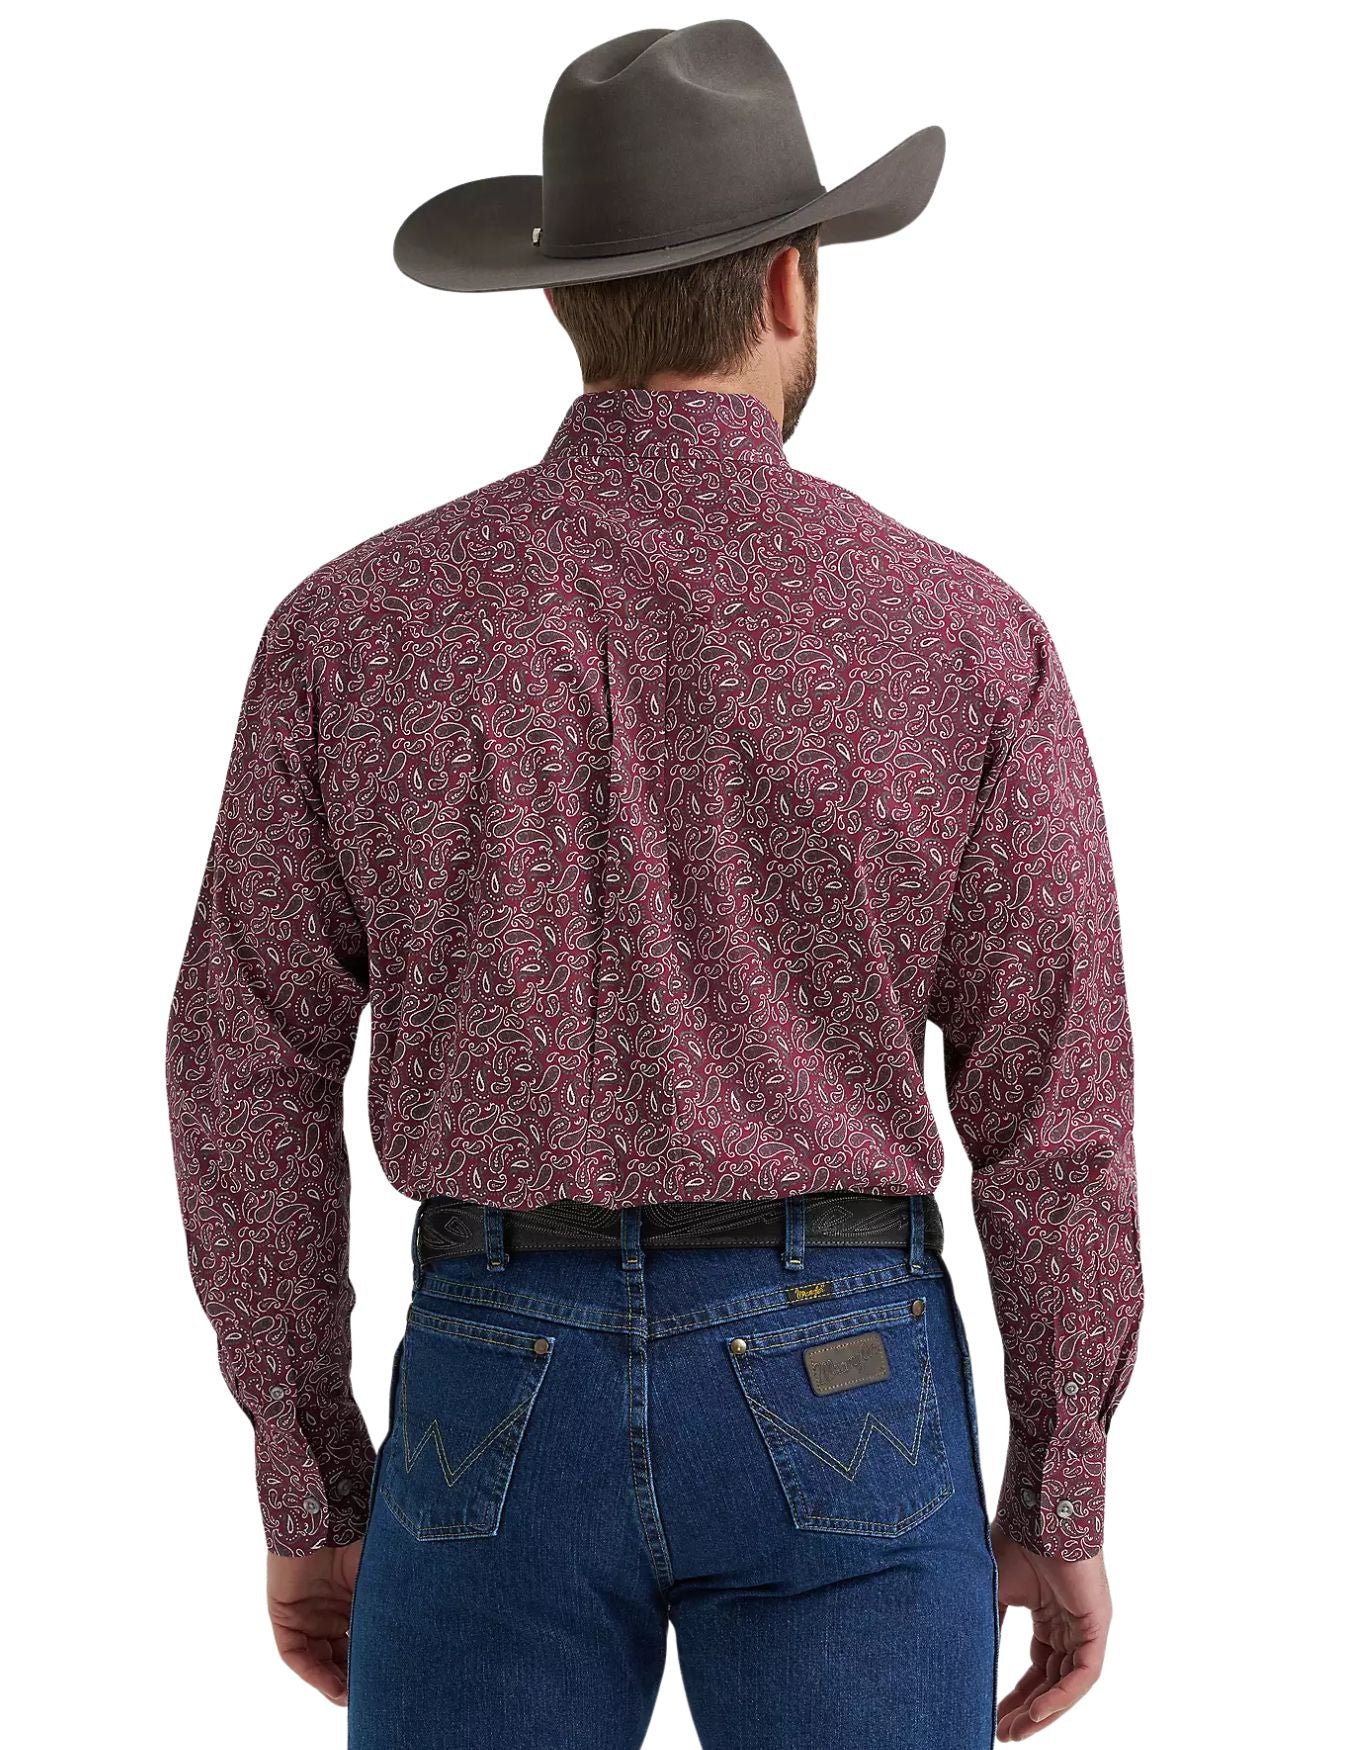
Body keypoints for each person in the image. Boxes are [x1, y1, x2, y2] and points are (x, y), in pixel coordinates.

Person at [166, 21, 1142, 1749]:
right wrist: (1059, 1486)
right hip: (850, 1376)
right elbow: (1057, 1095)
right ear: (788, 284)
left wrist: (308, 1468)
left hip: (489, 1381)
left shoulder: (352, 633)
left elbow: (241, 1064)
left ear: (563, 299)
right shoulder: (961, 639)